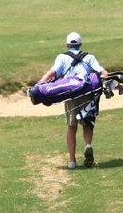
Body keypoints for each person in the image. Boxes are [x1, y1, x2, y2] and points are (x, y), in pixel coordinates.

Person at [38, 31, 109, 170]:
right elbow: (102, 72)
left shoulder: (62, 57)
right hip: (87, 92)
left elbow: (53, 72)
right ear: (80, 44)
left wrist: (39, 84)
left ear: (67, 45)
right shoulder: (89, 57)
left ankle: (72, 161)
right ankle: (88, 145)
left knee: (72, 127)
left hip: (71, 94)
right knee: (87, 122)